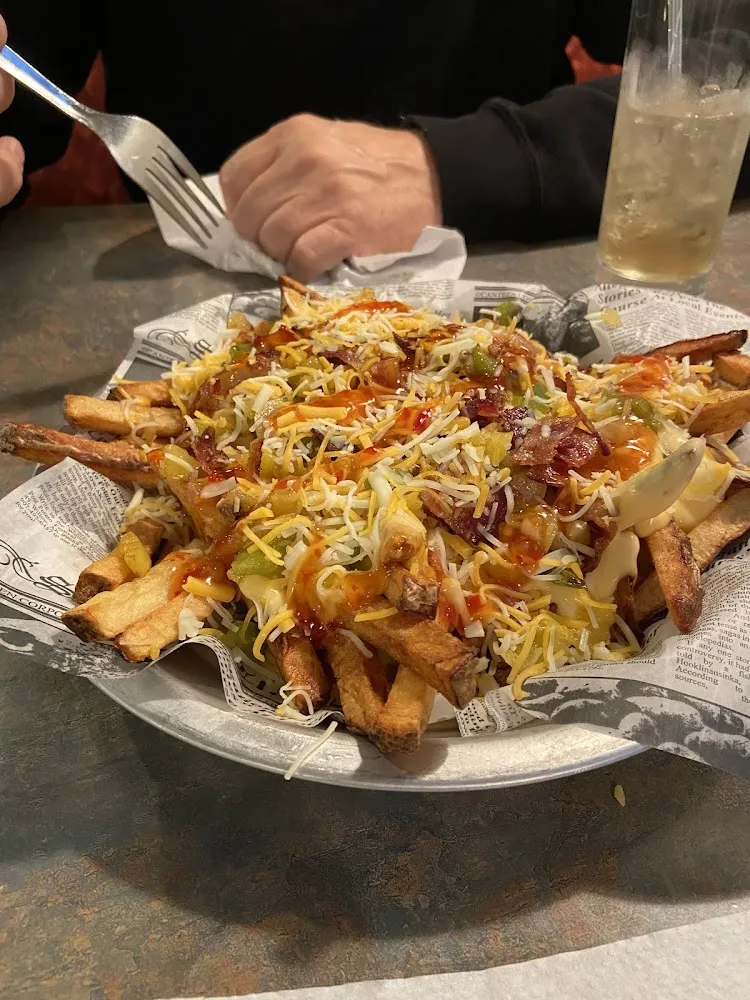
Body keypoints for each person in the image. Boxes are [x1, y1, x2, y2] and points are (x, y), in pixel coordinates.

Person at [0, 3, 682, 279]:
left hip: (533, 274)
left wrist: (458, 166)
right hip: (167, 297)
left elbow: (721, 58)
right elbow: (15, 122)